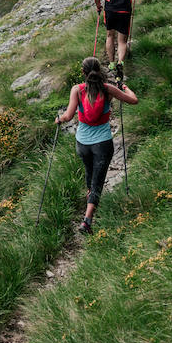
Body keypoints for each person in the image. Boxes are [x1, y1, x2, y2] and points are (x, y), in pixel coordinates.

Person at [55, 57, 138, 234]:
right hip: (102, 143)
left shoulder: (77, 90)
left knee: (90, 172)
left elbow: (68, 116)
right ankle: (87, 220)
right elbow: (133, 100)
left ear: (84, 73)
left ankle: (90, 200)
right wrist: (124, 87)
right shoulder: (108, 90)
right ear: (99, 71)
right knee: (98, 180)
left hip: (83, 143)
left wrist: (59, 119)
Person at [95, 0, 147, 82]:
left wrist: (98, 6)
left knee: (109, 36)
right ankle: (120, 63)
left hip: (110, 10)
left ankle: (112, 63)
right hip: (124, 11)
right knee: (122, 40)